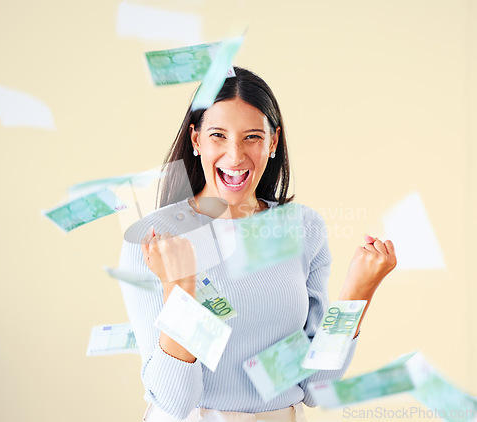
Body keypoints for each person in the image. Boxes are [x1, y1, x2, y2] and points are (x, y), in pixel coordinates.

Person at [117, 67, 397, 421]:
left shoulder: (303, 228)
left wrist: (360, 289)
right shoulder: (154, 236)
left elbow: (315, 385)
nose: (235, 157)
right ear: (196, 139)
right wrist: (179, 289)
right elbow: (174, 401)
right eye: (218, 135)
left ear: (274, 141)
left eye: (252, 137)